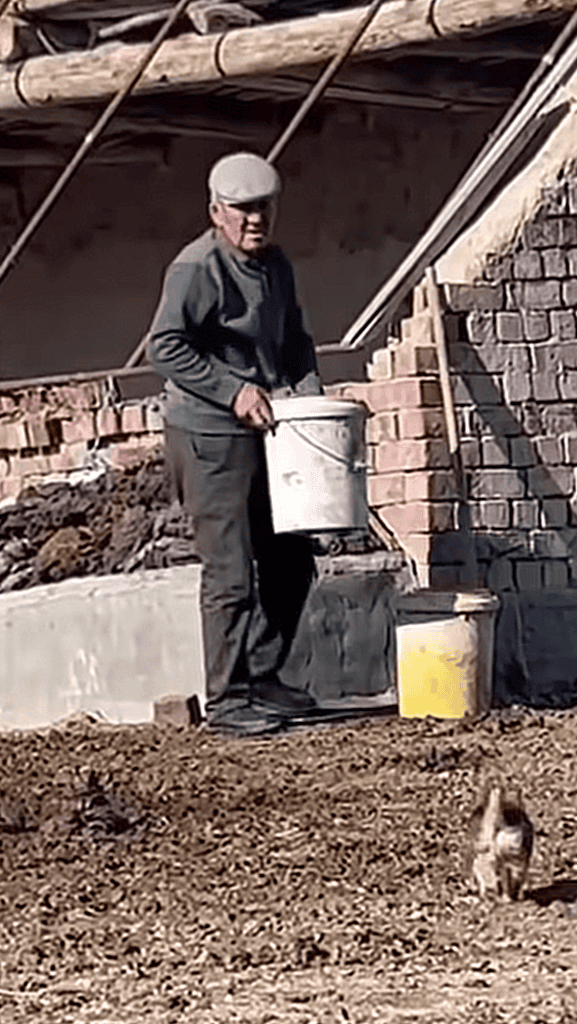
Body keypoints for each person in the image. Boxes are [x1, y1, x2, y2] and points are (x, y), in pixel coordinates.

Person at [147, 151, 322, 734]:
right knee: (228, 573)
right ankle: (226, 701)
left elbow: (295, 339)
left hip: (268, 434)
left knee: (292, 557)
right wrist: (232, 391)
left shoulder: (276, 266)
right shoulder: (197, 268)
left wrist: (310, 397)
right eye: (242, 210)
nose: (255, 220)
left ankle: (264, 676)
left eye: (264, 209)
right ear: (216, 211)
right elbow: (164, 347)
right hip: (207, 436)